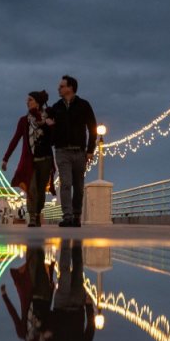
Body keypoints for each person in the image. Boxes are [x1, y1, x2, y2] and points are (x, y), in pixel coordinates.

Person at [1, 90, 56, 227]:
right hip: (29, 161)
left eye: (30, 100)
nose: (27, 102)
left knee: (41, 189)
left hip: (46, 159)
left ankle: (37, 214)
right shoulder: (23, 121)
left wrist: (49, 125)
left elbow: (53, 139)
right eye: (27, 100)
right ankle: (32, 216)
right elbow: (15, 139)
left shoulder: (49, 119)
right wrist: (5, 158)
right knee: (32, 189)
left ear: (38, 103)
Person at [49, 75, 98, 227]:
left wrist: (90, 150)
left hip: (79, 152)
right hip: (62, 151)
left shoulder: (83, 105)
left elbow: (92, 128)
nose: (59, 89)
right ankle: (67, 216)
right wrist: (50, 125)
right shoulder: (56, 107)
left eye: (62, 86)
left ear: (70, 88)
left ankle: (76, 215)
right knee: (65, 183)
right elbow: (48, 127)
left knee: (78, 185)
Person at [46, 239, 95, 341]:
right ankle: (77, 244)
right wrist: (89, 306)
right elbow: (90, 329)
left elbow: (48, 325)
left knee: (65, 273)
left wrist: (45, 334)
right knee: (78, 269)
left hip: (60, 305)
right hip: (77, 304)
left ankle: (66, 243)